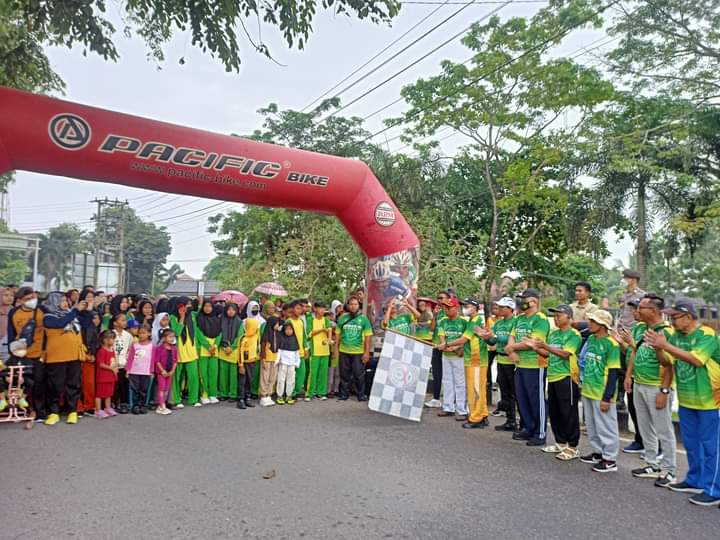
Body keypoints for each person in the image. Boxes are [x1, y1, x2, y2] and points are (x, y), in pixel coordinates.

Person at [645, 301, 720, 506]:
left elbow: (697, 359)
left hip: (710, 401)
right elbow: (667, 361)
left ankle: (714, 489)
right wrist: (658, 347)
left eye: (675, 317)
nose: (672, 321)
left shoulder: (706, 334)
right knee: (692, 444)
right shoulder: (677, 337)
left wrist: (665, 345)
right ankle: (695, 480)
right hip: (688, 400)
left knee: (711, 446)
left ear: (688, 317)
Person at [622, 294, 676, 484]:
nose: (637, 311)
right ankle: (652, 463)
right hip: (640, 384)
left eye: (641, 308)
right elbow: (635, 351)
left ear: (653, 311)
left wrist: (664, 390)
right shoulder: (640, 328)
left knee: (664, 429)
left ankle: (669, 470)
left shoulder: (667, 332)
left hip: (657, 387)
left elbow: (670, 365)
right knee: (644, 426)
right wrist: (629, 376)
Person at [531, 305, 582, 460]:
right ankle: (560, 442)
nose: (556, 318)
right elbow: (547, 354)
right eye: (555, 315)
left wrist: (544, 345)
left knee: (569, 413)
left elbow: (566, 354)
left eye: (559, 315)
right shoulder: (553, 334)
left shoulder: (573, 334)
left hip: (566, 377)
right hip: (552, 376)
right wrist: (535, 347)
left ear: (568, 317)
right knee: (555, 412)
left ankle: (573, 446)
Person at [505, 288, 550, 446]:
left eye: (524, 299)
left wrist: (511, 348)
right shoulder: (519, 318)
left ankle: (540, 432)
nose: (521, 302)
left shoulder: (540, 319)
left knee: (536, 400)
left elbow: (532, 343)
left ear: (534, 301)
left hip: (535, 365)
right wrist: (510, 351)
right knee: (522, 399)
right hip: (519, 364)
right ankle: (528, 428)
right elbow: (511, 336)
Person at [579, 310, 621, 473]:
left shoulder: (611, 344)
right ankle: (598, 452)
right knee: (592, 424)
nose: (590, 324)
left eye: (593, 322)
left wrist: (607, 397)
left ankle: (610, 459)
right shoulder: (591, 339)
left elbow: (613, 372)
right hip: (588, 389)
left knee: (606, 426)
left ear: (603, 325)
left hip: (601, 392)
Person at [43, 291, 91, 425]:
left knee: (73, 384)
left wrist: (86, 311)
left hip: (74, 355)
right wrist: (75, 310)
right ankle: (54, 412)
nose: (65, 303)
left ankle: (72, 411)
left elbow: (86, 324)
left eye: (66, 300)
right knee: (55, 386)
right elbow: (60, 323)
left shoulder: (73, 314)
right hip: (56, 357)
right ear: (54, 302)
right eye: (62, 301)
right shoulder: (48, 316)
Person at [444, 299, 488, 428]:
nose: (465, 308)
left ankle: (476, 418)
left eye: (468, 306)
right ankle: (483, 414)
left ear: (476, 308)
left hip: (476, 360)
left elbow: (463, 339)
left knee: (475, 390)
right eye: (464, 306)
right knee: (479, 389)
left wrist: (446, 344)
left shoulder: (475, 321)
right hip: (474, 359)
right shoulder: (472, 320)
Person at [7, 287, 47, 421]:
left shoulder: (42, 310)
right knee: (23, 384)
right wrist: (12, 352)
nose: (31, 301)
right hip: (21, 354)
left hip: (39, 354)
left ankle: (40, 412)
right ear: (20, 300)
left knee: (39, 383)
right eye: (27, 299)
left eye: (33, 297)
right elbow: (12, 334)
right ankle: (24, 410)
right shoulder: (13, 312)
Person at [618, 268, 646, 419]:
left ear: (633, 279)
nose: (624, 280)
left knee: (632, 364)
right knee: (621, 366)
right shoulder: (623, 296)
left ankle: (626, 396)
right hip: (622, 333)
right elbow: (621, 314)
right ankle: (620, 396)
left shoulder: (641, 295)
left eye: (626, 277)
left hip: (634, 333)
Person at [486, 297, 516, 431]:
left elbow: (508, 340)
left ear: (510, 309)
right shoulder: (498, 324)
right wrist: (486, 337)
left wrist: (497, 338)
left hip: (513, 362)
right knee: (504, 392)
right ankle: (510, 421)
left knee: (514, 392)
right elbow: (494, 342)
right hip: (501, 360)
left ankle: (518, 421)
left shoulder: (516, 322)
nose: (500, 309)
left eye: (503, 307)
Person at [334, 296, 372, 402]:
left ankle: (360, 395)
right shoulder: (342, 318)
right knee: (344, 374)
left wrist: (366, 353)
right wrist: (336, 350)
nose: (353, 306)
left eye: (355, 304)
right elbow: (337, 335)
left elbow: (368, 337)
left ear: (358, 305)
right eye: (351, 304)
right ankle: (344, 394)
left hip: (358, 352)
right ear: (348, 305)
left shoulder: (364, 319)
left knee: (358, 374)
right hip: (344, 351)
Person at [437, 297, 468, 420]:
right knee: (447, 381)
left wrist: (455, 347)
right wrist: (445, 346)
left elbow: (466, 339)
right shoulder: (443, 321)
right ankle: (448, 407)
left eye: (448, 307)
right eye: (444, 307)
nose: (446, 310)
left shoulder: (464, 322)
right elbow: (442, 336)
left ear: (456, 308)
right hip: (446, 355)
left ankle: (462, 410)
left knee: (460, 383)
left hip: (459, 356)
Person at [169, 297, 201, 408]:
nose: (188, 306)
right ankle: (177, 399)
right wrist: (181, 317)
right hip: (179, 351)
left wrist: (197, 348)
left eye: (189, 304)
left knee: (193, 376)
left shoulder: (192, 316)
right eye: (186, 304)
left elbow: (195, 331)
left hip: (191, 350)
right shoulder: (173, 317)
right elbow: (176, 332)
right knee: (177, 377)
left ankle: (194, 399)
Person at [426, 290, 450, 409]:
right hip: (436, 346)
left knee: (449, 374)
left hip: (448, 347)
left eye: (442, 298)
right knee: (436, 373)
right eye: (438, 298)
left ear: (448, 299)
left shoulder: (451, 312)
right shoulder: (438, 312)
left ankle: (450, 400)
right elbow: (431, 328)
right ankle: (436, 398)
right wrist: (434, 316)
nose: (439, 300)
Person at [237, 301, 262, 410]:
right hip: (244, 363)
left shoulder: (255, 337)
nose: (256, 328)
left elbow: (258, 347)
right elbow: (240, 352)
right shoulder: (244, 338)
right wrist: (241, 365)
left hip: (252, 362)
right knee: (242, 381)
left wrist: (257, 355)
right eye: (254, 327)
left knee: (249, 380)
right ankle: (240, 399)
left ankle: (247, 398)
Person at [195, 300, 221, 405]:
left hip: (214, 349)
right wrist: (208, 346)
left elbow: (220, 333)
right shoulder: (199, 319)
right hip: (203, 349)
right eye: (205, 306)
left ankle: (212, 394)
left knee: (213, 373)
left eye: (210, 306)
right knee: (203, 373)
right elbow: (198, 333)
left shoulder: (216, 320)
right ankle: (204, 394)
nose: (208, 308)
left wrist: (215, 346)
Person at [307, 301, 332, 401]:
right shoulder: (310, 319)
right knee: (313, 373)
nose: (322, 310)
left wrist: (329, 339)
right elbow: (309, 334)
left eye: (324, 308)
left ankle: (321, 393)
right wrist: (321, 330)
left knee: (323, 373)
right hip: (314, 350)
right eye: (320, 308)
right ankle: (309, 393)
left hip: (325, 350)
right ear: (315, 309)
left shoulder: (326, 320)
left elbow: (329, 331)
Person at [125, 324, 154, 414]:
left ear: (149, 333)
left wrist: (152, 371)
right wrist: (128, 370)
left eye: (143, 333)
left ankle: (143, 405)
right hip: (134, 371)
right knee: (135, 389)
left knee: (144, 390)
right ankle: (135, 405)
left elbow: (153, 359)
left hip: (145, 372)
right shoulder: (135, 345)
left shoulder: (152, 346)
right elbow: (130, 358)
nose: (141, 335)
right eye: (140, 333)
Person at [79, 310, 102, 416]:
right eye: (93, 318)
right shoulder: (83, 328)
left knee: (89, 383)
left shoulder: (96, 330)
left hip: (91, 358)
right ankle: (79, 406)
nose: (96, 320)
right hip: (81, 357)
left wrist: (93, 354)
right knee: (78, 383)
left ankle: (89, 406)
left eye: (97, 317)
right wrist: (88, 354)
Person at [218, 302, 242, 401]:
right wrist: (224, 346)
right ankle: (223, 393)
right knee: (223, 373)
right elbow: (219, 333)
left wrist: (231, 347)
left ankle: (233, 394)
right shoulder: (221, 319)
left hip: (233, 350)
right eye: (228, 309)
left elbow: (239, 336)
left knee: (233, 375)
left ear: (236, 311)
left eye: (233, 309)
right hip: (223, 349)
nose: (230, 312)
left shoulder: (239, 321)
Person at [259, 302, 281, 407]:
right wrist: (263, 359)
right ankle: (263, 395)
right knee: (265, 377)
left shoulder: (277, 334)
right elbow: (263, 347)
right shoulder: (266, 334)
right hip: (267, 358)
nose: (278, 325)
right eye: (276, 323)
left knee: (273, 377)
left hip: (274, 359)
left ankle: (269, 394)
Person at [111, 313, 133, 413]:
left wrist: (128, 365)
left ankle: (124, 403)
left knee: (124, 384)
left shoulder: (128, 335)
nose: (125, 322)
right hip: (112, 365)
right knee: (113, 385)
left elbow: (129, 351)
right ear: (115, 323)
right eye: (122, 320)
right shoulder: (110, 334)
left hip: (124, 365)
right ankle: (113, 403)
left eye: (125, 320)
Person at [153, 328, 178, 415]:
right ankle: (162, 405)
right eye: (170, 337)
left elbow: (175, 361)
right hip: (161, 372)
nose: (172, 339)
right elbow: (157, 361)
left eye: (173, 337)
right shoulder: (159, 348)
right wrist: (162, 370)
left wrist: (172, 371)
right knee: (161, 389)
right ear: (164, 338)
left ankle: (162, 405)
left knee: (167, 389)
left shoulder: (174, 348)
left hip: (170, 372)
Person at [94, 330, 119, 419]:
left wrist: (115, 367)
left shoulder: (111, 350)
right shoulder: (101, 351)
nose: (113, 341)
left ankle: (107, 408)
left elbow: (113, 361)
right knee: (99, 394)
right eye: (111, 339)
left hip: (111, 376)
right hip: (102, 377)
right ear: (105, 340)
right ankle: (98, 410)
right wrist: (111, 368)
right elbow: (100, 364)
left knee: (108, 393)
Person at [287, 300, 309, 399]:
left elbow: (304, 337)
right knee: (290, 374)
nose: (300, 311)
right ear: (292, 309)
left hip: (300, 352)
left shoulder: (300, 321)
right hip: (291, 352)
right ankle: (289, 393)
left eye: (301, 309)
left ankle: (296, 391)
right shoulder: (288, 321)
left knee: (301, 373)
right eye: (297, 308)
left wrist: (306, 348)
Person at [276, 321, 301, 405]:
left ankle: (289, 395)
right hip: (283, 363)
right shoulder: (281, 338)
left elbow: (297, 352)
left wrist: (297, 362)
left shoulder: (294, 339)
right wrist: (277, 361)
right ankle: (280, 395)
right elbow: (279, 351)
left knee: (291, 380)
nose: (288, 331)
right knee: (281, 379)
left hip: (292, 364)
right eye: (286, 329)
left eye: (290, 329)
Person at [327, 300, 343, 397]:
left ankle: (336, 389)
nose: (339, 309)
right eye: (338, 307)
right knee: (331, 371)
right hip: (332, 348)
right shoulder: (331, 322)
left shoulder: (340, 322)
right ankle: (329, 390)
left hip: (341, 348)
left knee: (338, 371)